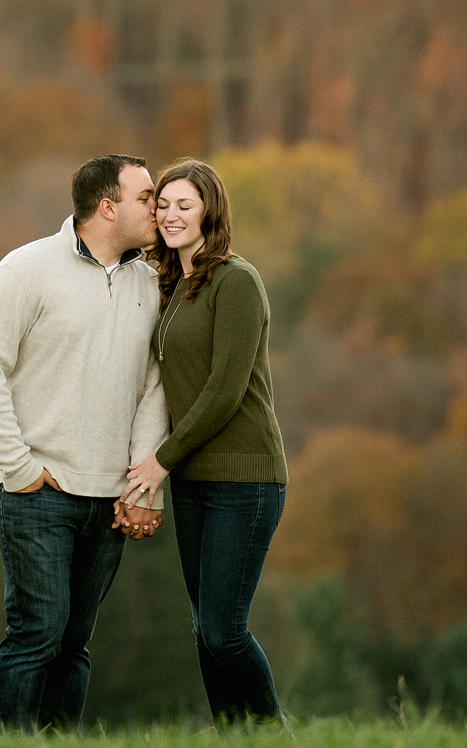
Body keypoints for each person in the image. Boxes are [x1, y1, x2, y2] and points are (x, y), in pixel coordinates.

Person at [0, 154, 172, 731]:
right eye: (146, 197)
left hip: (109, 499)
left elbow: (154, 388)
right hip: (38, 491)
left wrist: (142, 484)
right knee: (37, 633)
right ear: (108, 206)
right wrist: (18, 467)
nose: (157, 207)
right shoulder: (24, 271)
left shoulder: (150, 284)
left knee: (75, 645)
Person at [120, 157, 291, 726]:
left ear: (210, 211)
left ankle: (275, 735)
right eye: (161, 205)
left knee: (224, 629)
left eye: (183, 205)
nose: (170, 215)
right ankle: (233, 736)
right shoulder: (174, 285)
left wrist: (159, 462)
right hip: (195, 480)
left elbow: (224, 389)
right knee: (204, 632)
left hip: (245, 480)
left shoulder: (236, 281)